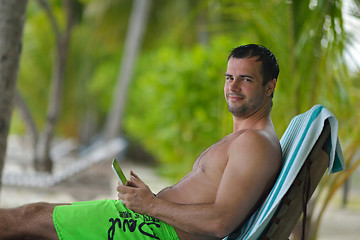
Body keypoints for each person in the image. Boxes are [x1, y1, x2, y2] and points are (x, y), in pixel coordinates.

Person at [0, 44, 282, 240]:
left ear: (269, 87)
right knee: (31, 230)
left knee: (28, 216)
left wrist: (150, 206)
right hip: (146, 224)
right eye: (229, 77)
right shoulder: (245, 139)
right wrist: (147, 201)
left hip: (149, 230)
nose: (232, 87)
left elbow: (221, 222)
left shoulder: (254, 144)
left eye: (245, 79)